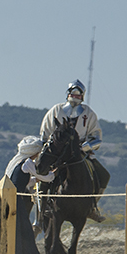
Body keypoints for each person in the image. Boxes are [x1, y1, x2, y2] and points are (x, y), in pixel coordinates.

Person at [40, 79, 110, 222]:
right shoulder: (56, 110)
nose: (75, 97)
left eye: (78, 95)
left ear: (82, 96)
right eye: (73, 94)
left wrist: (86, 147)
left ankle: (91, 206)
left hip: (80, 152)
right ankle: (42, 208)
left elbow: (97, 137)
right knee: (43, 175)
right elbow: (44, 134)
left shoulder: (88, 114)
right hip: (58, 153)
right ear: (68, 94)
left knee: (103, 175)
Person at [5, 136, 54, 254]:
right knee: (24, 237)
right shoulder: (27, 162)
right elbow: (45, 178)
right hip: (17, 203)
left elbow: (25, 181)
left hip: (12, 201)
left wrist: (36, 180)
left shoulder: (16, 162)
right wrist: (53, 174)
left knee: (21, 237)